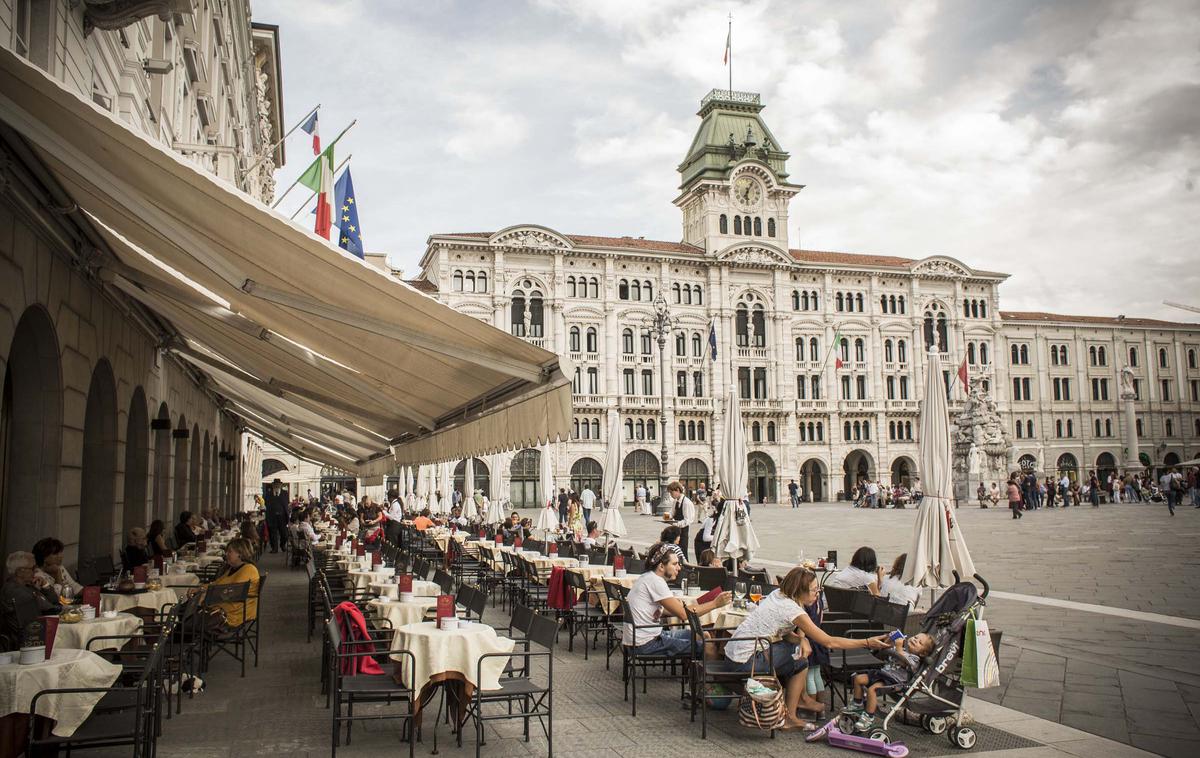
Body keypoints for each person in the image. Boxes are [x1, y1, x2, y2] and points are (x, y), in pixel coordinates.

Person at [726, 567, 891, 731]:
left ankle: (797, 705)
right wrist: (868, 642)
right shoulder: (792, 609)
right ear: (800, 591)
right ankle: (795, 709)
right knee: (800, 660)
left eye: (818, 589)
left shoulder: (778, 595)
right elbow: (829, 642)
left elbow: (781, 631)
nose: (817, 593)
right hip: (746, 660)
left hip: (733, 655)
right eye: (813, 590)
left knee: (799, 658)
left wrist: (801, 639)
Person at [622, 542, 731, 658]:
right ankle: (714, 675)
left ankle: (694, 674)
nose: (679, 568)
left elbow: (660, 610)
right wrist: (715, 603)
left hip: (639, 638)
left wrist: (678, 608)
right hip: (646, 643)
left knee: (704, 635)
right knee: (708, 646)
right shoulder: (655, 581)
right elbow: (684, 615)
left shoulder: (646, 577)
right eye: (674, 564)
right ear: (661, 566)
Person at [845, 632, 935, 732]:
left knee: (872, 690)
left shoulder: (915, 659)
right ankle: (857, 704)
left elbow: (903, 661)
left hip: (893, 680)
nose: (915, 640)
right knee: (858, 679)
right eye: (915, 637)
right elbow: (885, 650)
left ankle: (868, 718)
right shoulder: (902, 650)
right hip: (882, 673)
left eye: (920, 642)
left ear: (922, 653)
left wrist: (899, 647)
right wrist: (890, 640)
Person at [195, 538, 260, 630]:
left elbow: (231, 592)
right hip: (226, 608)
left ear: (240, 554)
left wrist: (205, 597)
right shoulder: (233, 569)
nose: (226, 554)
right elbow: (216, 584)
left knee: (191, 611)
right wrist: (200, 588)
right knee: (191, 607)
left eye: (230, 552)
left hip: (234, 614)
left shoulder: (249, 569)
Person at [1, 552, 61, 647]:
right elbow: (50, 610)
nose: (36, 571)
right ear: (20, 571)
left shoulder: (27, 586)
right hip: (30, 642)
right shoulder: (17, 592)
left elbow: (54, 601)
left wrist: (45, 585)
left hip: (38, 633)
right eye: (33, 568)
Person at [665, 481, 696, 560]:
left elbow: (688, 520)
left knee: (682, 552)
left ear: (678, 490)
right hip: (676, 530)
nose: (671, 495)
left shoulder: (687, 503)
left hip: (683, 531)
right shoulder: (676, 501)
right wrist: (668, 516)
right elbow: (672, 512)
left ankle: (685, 569)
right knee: (675, 552)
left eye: (672, 493)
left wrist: (675, 524)